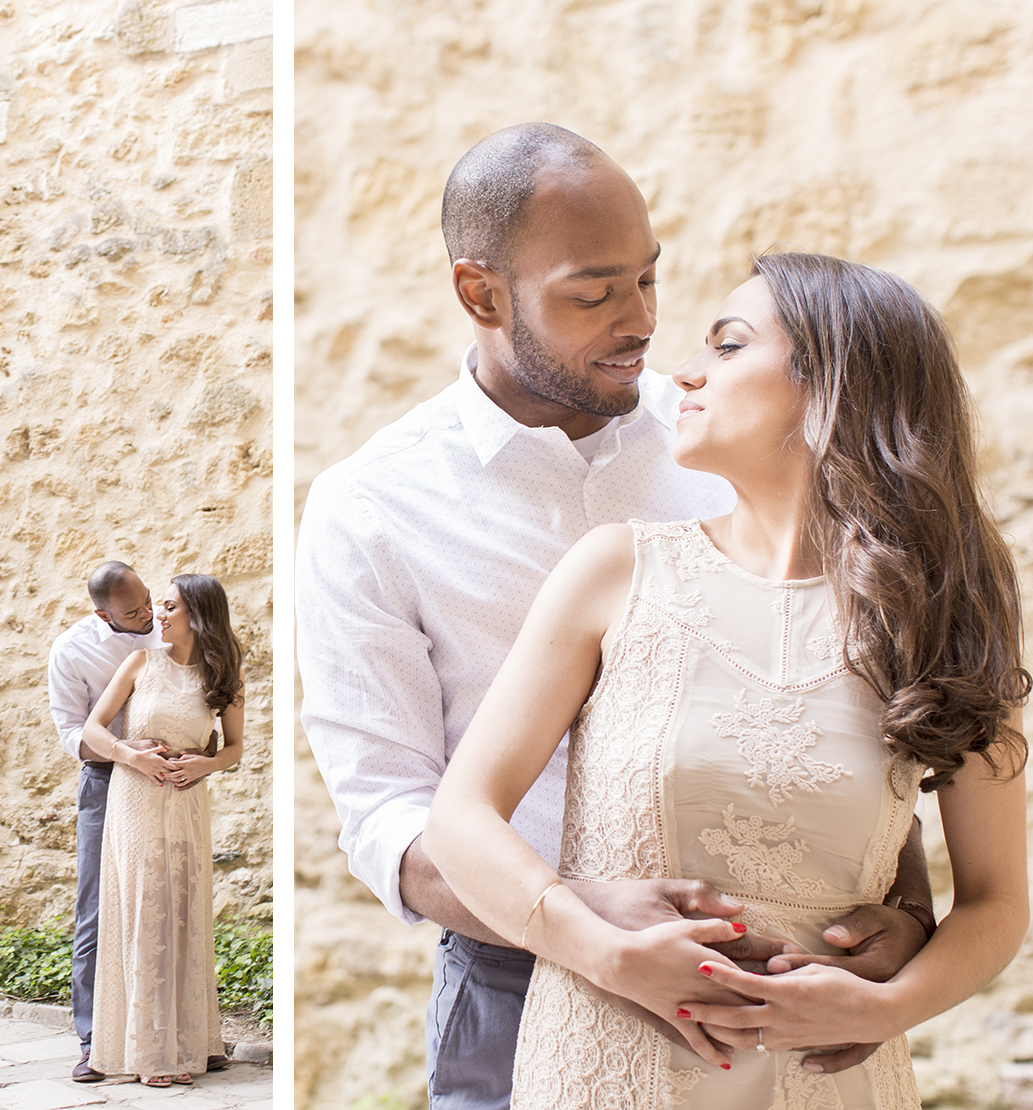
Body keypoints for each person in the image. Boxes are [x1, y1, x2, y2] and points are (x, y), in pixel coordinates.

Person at [295, 124, 936, 1110]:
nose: (640, 319)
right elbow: (389, 815)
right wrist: (575, 924)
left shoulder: (731, 443)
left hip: (792, 994)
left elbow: (855, 691)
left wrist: (905, 913)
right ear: (482, 294)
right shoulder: (369, 509)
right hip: (515, 987)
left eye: (649, 279)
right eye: (593, 293)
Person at [425, 252, 1029, 1106]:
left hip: (827, 1082)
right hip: (606, 1063)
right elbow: (459, 818)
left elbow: (998, 900)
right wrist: (601, 950)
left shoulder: (940, 614)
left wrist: (888, 1005)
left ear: (835, 385)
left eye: (732, 345)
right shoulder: (616, 572)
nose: (686, 373)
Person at [82, 573, 246, 1086]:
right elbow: (92, 729)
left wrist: (204, 766)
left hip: (185, 804)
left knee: (180, 916)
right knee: (142, 913)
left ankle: (180, 1046)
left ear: (197, 615)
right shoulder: (140, 662)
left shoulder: (226, 680)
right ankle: (145, 1052)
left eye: (170, 606)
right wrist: (132, 756)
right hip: (134, 800)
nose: (161, 614)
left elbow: (235, 750)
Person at [47, 561, 163, 1081]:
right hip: (106, 779)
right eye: (133, 612)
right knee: (96, 909)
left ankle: (177, 1034)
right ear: (102, 613)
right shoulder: (72, 650)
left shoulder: (168, 625)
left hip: (165, 780)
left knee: (167, 902)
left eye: (147, 602)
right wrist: (122, 751)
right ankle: (93, 1040)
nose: (146, 615)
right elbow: (71, 730)